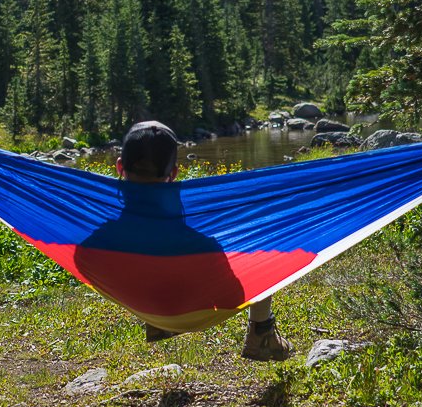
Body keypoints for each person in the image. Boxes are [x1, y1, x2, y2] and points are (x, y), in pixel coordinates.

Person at [117, 119, 294, 362]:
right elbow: (234, 293)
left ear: (119, 168)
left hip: (147, 304)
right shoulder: (198, 243)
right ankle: (261, 332)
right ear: (175, 174)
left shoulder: (104, 234)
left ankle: (158, 323)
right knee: (265, 242)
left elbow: (83, 261)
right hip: (194, 310)